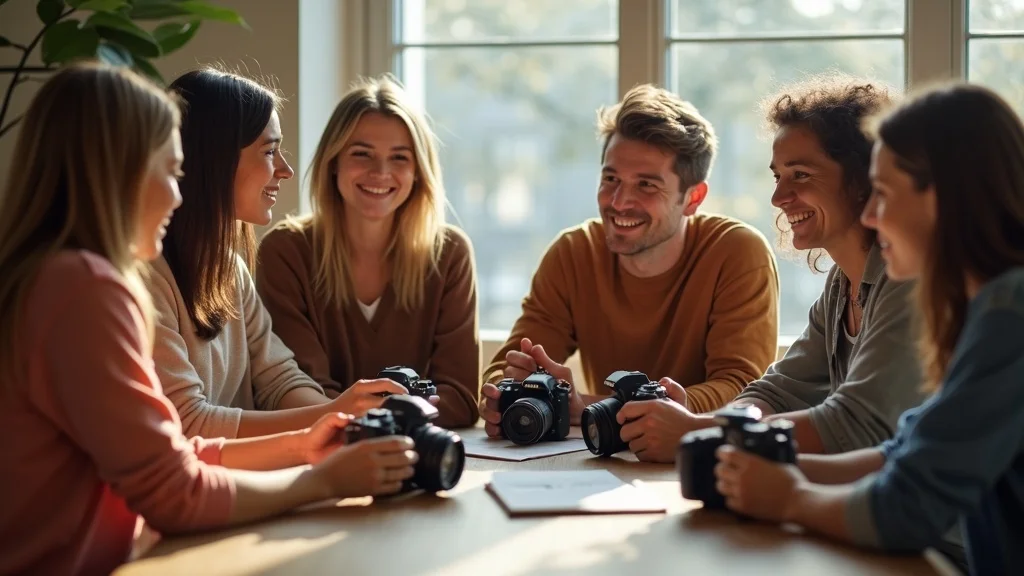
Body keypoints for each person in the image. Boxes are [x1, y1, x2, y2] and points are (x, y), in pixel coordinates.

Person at [0, 63, 417, 575]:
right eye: (172, 172)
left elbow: (170, 453)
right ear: (120, 173)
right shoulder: (85, 288)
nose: (179, 195)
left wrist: (303, 443)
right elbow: (172, 489)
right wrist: (323, 481)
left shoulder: (58, 277)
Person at [714, 83, 1024, 576]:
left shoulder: (1010, 315)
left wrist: (791, 499)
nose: (872, 216)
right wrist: (765, 471)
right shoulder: (985, 306)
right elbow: (906, 454)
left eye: (882, 193)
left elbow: (907, 506)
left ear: (942, 196)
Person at [616, 76, 928, 463]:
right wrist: (710, 423)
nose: (778, 197)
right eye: (778, 176)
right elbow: (778, 392)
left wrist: (697, 432)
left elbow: (856, 423)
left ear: (862, 177)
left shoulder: (909, 279)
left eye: (800, 175)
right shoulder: (841, 284)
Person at [479, 84, 781, 436]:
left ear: (693, 198)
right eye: (611, 179)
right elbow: (508, 363)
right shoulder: (574, 252)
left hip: (698, 453)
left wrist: (591, 407)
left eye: (646, 185)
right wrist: (503, 392)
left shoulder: (737, 252)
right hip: (599, 454)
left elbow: (742, 389)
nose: (619, 202)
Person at [150, 68, 412, 440]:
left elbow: (278, 378)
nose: (286, 170)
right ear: (217, 159)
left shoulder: (230, 269)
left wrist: (351, 421)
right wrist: (332, 413)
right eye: (270, 151)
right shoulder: (147, 276)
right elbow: (187, 423)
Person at [256, 75, 480, 429]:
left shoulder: (449, 254)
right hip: (323, 451)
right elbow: (305, 393)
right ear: (334, 162)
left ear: (419, 172)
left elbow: (462, 399)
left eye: (399, 157)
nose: (381, 172)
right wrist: (410, 407)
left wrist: (373, 415)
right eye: (362, 154)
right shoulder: (285, 252)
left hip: (418, 452)